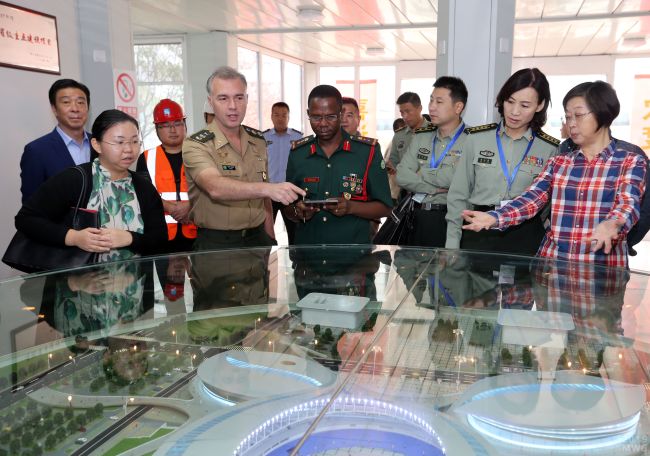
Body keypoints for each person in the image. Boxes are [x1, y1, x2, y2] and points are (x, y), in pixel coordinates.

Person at [461, 81, 647, 269]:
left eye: (579, 115)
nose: (571, 124)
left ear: (603, 113)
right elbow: (531, 199)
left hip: (601, 270)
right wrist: (495, 217)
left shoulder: (630, 161)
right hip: (553, 267)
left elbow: (628, 203)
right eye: (567, 117)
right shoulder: (559, 162)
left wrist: (613, 223)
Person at [16, 109, 167, 261]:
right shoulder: (75, 179)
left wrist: (130, 238)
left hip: (135, 281)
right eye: (119, 142)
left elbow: (160, 240)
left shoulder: (144, 187)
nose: (128, 149)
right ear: (97, 145)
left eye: (134, 141)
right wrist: (74, 237)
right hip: (77, 282)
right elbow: (26, 219)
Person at [182, 66, 305, 250]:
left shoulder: (258, 141)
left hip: (258, 239)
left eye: (239, 97)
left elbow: (264, 199)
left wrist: (270, 238)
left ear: (247, 99)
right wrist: (269, 189)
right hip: (217, 244)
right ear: (211, 102)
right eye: (223, 98)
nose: (233, 106)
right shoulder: (197, 144)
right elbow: (215, 187)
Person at [445, 68, 560, 256]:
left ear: (539, 106)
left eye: (525, 105)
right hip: (479, 232)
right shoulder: (476, 139)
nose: (514, 112)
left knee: (524, 285)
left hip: (525, 236)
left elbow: (546, 204)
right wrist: (452, 244)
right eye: (510, 101)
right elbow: (459, 195)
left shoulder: (549, 149)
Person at [283, 84, 392, 245]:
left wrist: (350, 207)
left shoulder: (367, 152)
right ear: (308, 114)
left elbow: (385, 208)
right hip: (309, 255)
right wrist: (298, 211)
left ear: (341, 114)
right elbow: (288, 206)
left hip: (353, 256)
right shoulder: (298, 153)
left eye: (331, 117)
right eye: (316, 117)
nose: (323, 123)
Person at [396, 76, 469, 247]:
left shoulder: (472, 141)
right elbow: (402, 175)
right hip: (418, 218)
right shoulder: (422, 137)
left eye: (439, 102)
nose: (432, 107)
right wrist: (433, 189)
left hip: (455, 221)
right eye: (431, 100)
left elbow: (459, 181)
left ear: (458, 107)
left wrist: (422, 173)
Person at [136, 99, 196, 302]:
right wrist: (171, 207)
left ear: (185, 125)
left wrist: (191, 206)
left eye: (177, 123)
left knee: (200, 296)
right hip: (161, 241)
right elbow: (143, 195)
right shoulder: (146, 158)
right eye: (165, 125)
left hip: (197, 239)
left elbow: (211, 188)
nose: (172, 130)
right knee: (166, 299)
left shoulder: (199, 154)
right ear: (157, 129)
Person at [21, 79, 95, 203]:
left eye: (81, 102)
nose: (75, 108)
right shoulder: (37, 151)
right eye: (66, 102)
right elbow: (31, 207)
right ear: (54, 109)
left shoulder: (101, 144)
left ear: (87, 107)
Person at [263, 101, 302, 244]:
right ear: (271, 117)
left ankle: (297, 263)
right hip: (270, 192)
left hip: (290, 192)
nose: (280, 118)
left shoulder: (298, 138)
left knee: (295, 232)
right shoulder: (263, 138)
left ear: (288, 117)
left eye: (283, 115)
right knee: (266, 233)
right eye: (276, 115)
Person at [388, 92, 431, 169]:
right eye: (402, 112)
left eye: (408, 111)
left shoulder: (436, 132)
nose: (404, 116)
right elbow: (393, 163)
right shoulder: (399, 136)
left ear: (420, 108)